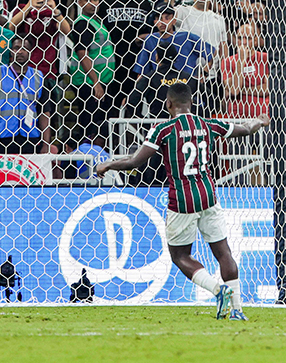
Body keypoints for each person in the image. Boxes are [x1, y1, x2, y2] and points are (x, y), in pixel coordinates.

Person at [97, 82, 270, 321]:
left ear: (168, 103)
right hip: (209, 195)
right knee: (223, 252)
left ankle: (218, 290)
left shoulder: (163, 129)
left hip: (182, 200)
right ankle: (238, 309)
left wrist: (108, 164)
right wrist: (259, 122)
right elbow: (246, 129)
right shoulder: (209, 124)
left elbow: (134, 163)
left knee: (180, 256)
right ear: (191, 102)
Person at [0, 36, 55, 155]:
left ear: (31, 52)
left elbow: (44, 112)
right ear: (10, 51)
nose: (20, 52)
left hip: (30, 138)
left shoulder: (38, 77)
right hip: (2, 137)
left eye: (24, 48)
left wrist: (46, 143)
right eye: (16, 48)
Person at [66, 0, 114, 145]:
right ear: (80, 3)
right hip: (87, 82)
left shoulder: (96, 21)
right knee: (89, 122)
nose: (94, 3)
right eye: (89, 0)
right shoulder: (82, 23)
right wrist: (96, 82)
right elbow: (82, 54)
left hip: (99, 81)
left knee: (98, 121)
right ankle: (80, 150)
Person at [133, 8, 214, 77]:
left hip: (185, 88)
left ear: (174, 21)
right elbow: (141, 70)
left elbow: (212, 53)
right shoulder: (150, 40)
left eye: (167, 18)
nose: (162, 22)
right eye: (159, 18)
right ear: (155, 22)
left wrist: (204, 75)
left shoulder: (187, 37)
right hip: (161, 87)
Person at [221, 23, 268, 118]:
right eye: (240, 38)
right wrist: (241, 61)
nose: (244, 42)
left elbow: (266, 89)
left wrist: (242, 90)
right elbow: (234, 90)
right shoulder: (227, 62)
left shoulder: (265, 58)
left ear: (255, 41)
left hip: (262, 117)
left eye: (248, 38)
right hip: (237, 117)